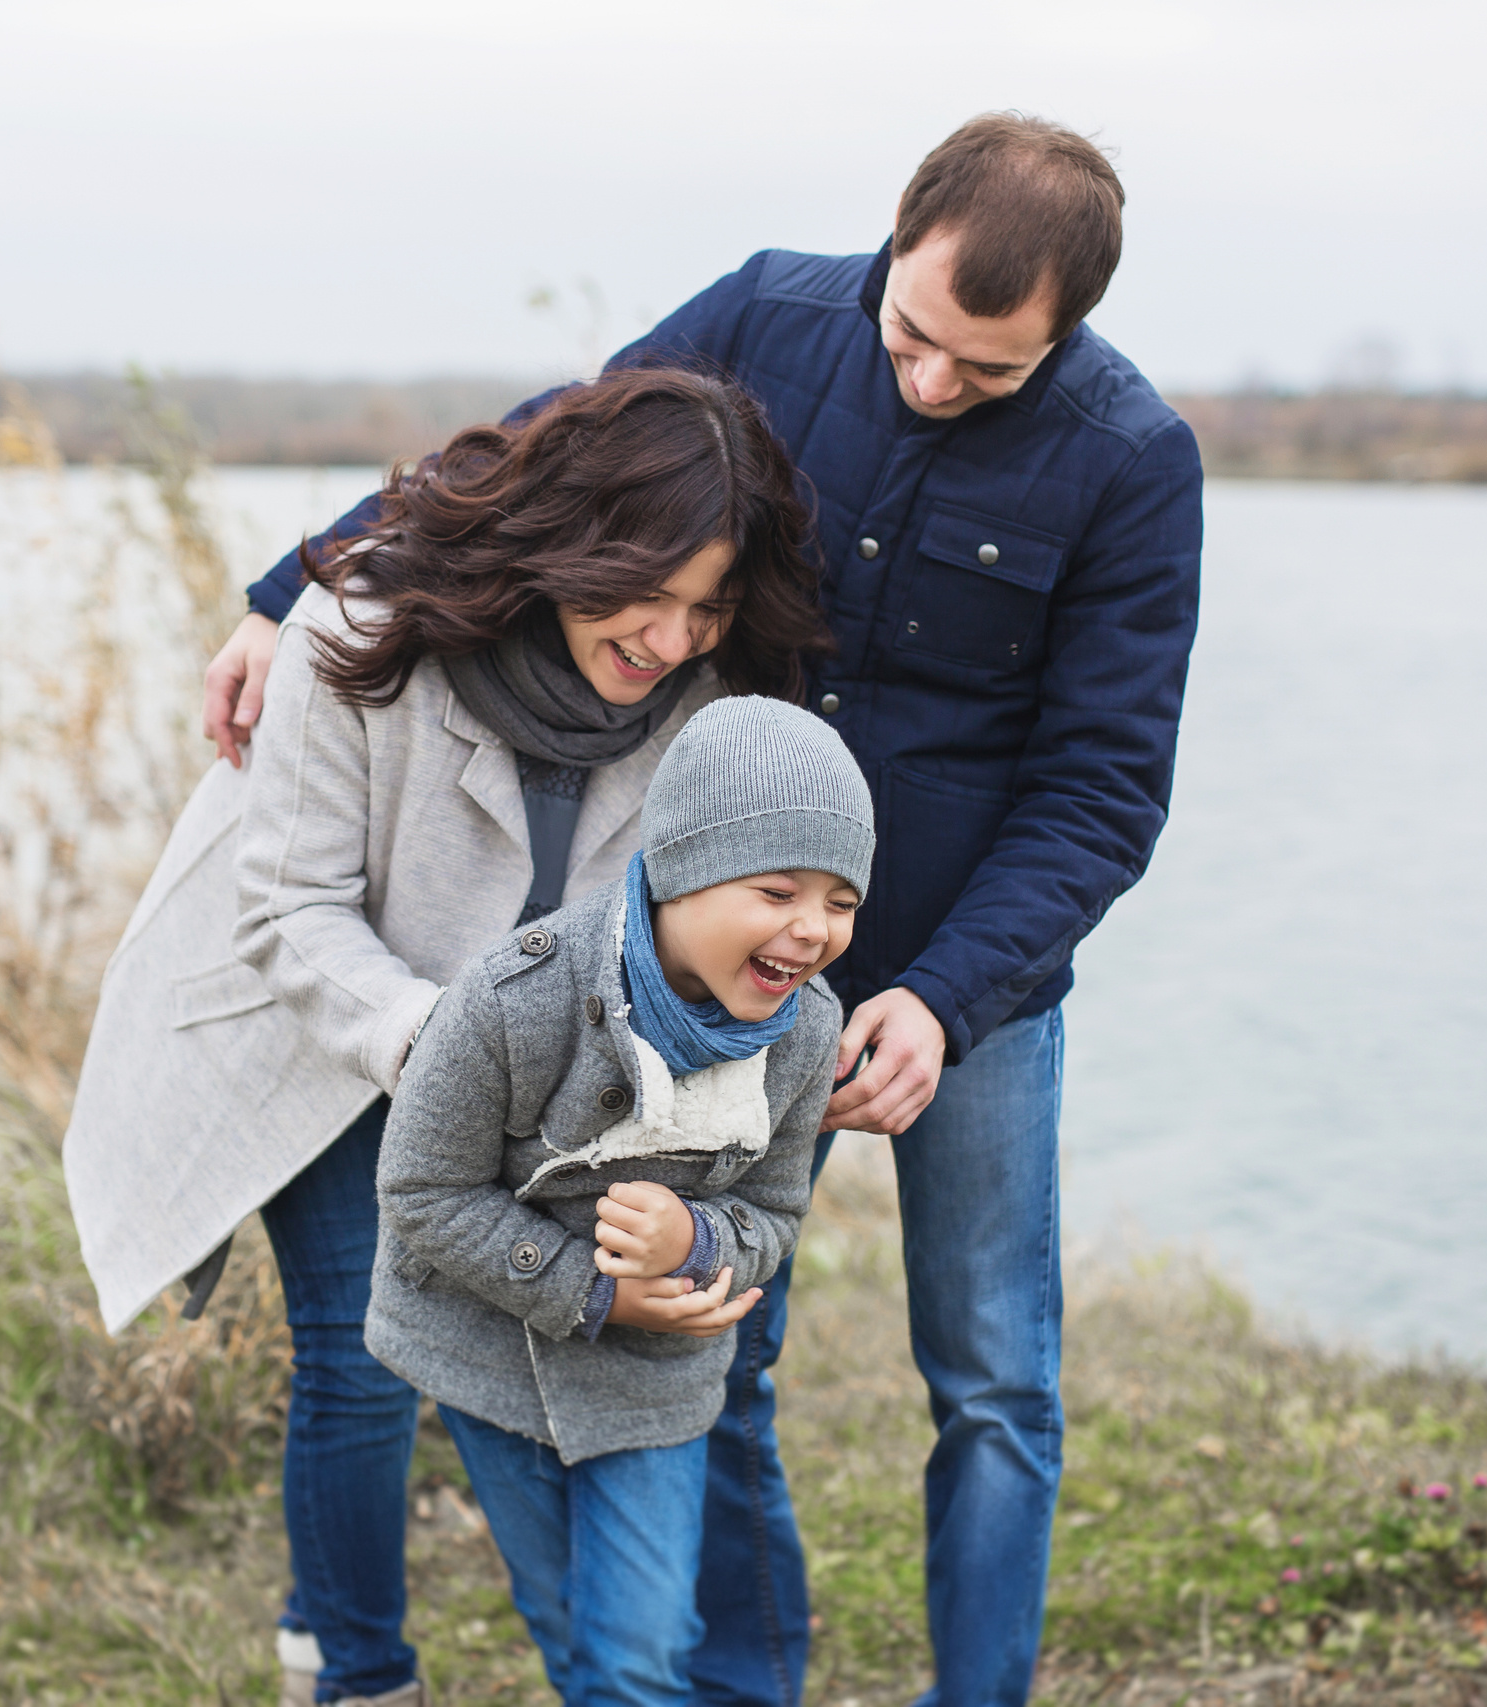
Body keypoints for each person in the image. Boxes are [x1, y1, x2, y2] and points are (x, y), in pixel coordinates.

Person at [202, 113, 1202, 1707]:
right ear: (894, 241)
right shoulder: (764, 316)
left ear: (1067, 329)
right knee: (710, 1337)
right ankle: (740, 1688)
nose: (931, 382)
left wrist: (940, 997)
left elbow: (1102, 786)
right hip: (710, 969)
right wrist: (289, 589)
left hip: (970, 983)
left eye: (988, 371)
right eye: (915, 336)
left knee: (997, 1382)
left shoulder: (1135, 461)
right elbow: (541, 466)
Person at [64, 364, 830, 1707]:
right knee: (357, 1345)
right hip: (327, 1018)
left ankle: (518, 1632)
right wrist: (445, 1043)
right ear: (573, 537)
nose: (669, 632)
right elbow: (292, 905)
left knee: (505, 1319)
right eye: (645, 588)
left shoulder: (703, 709)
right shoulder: (359, 626)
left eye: (708, 602)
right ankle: (357, 1671)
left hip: (540, 1072)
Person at [370, 697, 870, 1706]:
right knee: (570, 1625)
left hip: (659, 1375)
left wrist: (698, 1240)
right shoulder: (514, 998)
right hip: (489, 1350)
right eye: (777, 890)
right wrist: (589, 1291)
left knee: (635, 1648)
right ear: (680, 867)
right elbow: (420, 1190)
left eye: (842, 901)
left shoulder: (806, 1031)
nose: (812, 929)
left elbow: (774, 1211)